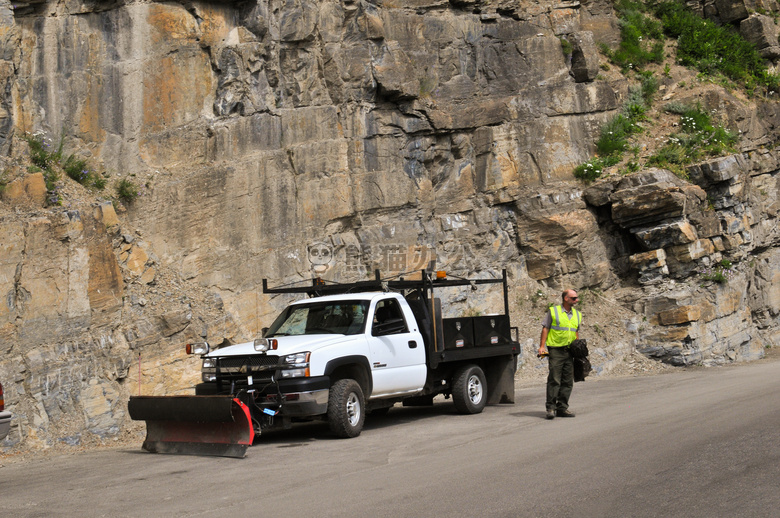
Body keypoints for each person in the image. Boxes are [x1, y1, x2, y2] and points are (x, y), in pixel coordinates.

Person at [538, 289, 581, 419]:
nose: (576, 300)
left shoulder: (577, 314)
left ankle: (562, 408)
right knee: (554, 380)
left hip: (570, 351)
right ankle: (550, 408)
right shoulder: (553, 311)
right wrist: (542, 347)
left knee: (567, 381)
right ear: (565, 299)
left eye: (576, 298)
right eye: (574, 298)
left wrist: (578, 347)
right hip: (556, 350)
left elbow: (576, 332)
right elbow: (545, 328)